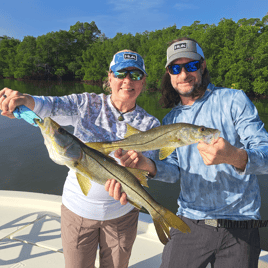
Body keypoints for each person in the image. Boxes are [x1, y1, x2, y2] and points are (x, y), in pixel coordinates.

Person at [105, 38, 268, 268]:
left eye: (190, 66)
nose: (183, 75)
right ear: (169, 74)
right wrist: (147, 165)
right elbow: (173, 173)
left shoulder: (234, 100)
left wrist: (234, 156)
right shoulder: (171, 120)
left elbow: (266, 154)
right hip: (190, 222)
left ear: (202, 66)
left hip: (240, 224)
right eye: (175, 68)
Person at [0, 49, 160, 268]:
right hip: (77, 211)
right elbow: (50, 106)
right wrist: (25, 100)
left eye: (136, 75)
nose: (128, 80)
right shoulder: (86, 103)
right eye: (121, 73)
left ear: (143, 82)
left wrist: (140, 168)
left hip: (122, 215)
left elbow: (146, 171)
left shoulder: (150, 125)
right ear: (110, 77)